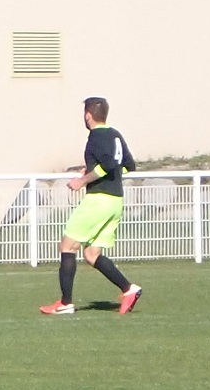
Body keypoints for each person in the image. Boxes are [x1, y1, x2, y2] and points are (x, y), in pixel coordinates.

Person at [41, 97, 143, 316]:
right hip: (115, 201)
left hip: (99, 200)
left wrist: (83, 180)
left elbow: (107, 165)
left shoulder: (96, 136)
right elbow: (128, 165)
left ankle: (66, 303)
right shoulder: (115, 134)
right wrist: (92, 172)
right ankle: (129, 289)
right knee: (91, 253)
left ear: (88, 115)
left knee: (68, 246)